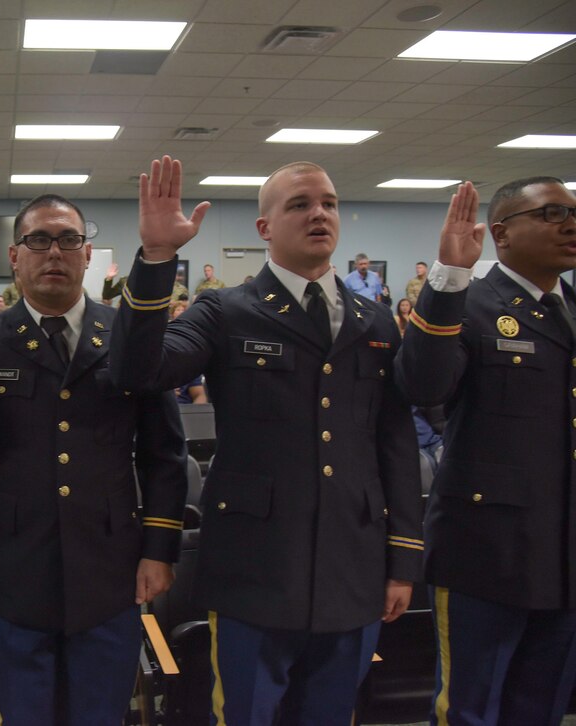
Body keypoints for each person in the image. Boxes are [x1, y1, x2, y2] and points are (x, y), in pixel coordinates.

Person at [110, 156, 422, 724]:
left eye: (327, 202)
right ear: (264, 228)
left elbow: (395, 443)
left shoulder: (374, 321)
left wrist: (402, 559)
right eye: (299, 205)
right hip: (255, 568)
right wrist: (157, 260)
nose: (318, 214)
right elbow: (138, 372)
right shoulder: (226, 310)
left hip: (353, 566)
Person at [0, 193, 188, 725]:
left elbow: (164, 453)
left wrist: (159, 549)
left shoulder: (131, 337)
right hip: (11, 568)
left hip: (111, 567)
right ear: (15, 257)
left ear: (88, 255)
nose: (54, 252)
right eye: (38, 240)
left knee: (102, 714)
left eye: (69, 239)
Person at [395, 177, 576, 725]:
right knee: (470, 710)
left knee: (540, 707)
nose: (569, 224)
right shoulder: (468, 303)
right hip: (487, 550)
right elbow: (422, 387)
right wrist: (448, 277)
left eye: (572, 213)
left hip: (564, 553)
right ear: (501, 231)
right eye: (550, 213)